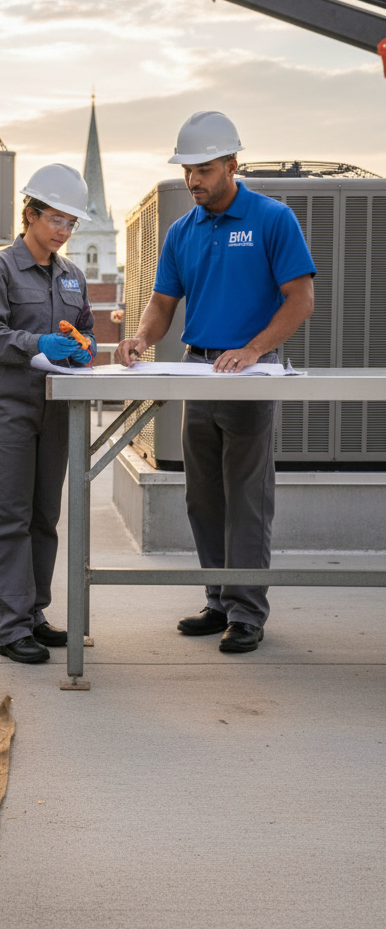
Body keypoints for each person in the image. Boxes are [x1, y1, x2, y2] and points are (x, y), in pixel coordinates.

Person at [115, 111, 316, 653]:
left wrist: (253, 349)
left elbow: (301, 300)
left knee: (247, 497)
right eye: (187, 170)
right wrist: (140, 339)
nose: (192, 180)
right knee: (203, 497)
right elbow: (162, 303)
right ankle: (220, 600)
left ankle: (248, 613)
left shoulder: (273, 219)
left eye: (203, 169)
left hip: (251, 376)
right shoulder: (183, 229)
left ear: (232, 164)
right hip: (194, 371)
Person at [0, 163, 97, 664]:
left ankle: (35, 615)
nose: (64, 232)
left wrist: (83, 347)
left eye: (71, 224)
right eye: (57, 220)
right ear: (30, 213)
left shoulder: (73, 275)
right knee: (9, 516)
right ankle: (9, 626)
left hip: (56, 408)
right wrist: (35, 343)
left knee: (45, 517)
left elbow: (84, 328)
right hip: (8, 406)